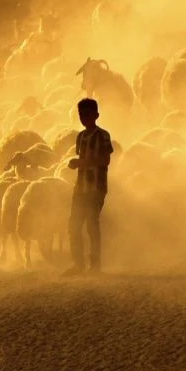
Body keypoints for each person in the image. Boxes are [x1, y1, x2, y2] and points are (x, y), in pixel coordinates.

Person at [66, 98, 113, 275]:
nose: (83, 117)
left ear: (96, 115)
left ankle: (95, 265)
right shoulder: (81, 137)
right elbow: (82, 158)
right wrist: (78, 164)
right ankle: (78, 265)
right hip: (80, 188)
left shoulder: (103, 136)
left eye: (87, 114)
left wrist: (81, 163)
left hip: (96, 188)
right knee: (74, 225)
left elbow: (105, 160)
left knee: (92, 225)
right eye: (81, 114)